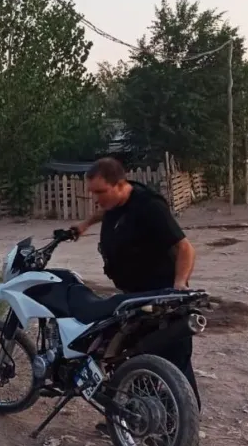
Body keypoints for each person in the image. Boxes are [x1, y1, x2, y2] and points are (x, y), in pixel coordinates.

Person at [72, 157, 201, 413]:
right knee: (133, 356)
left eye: (100, 192)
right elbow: (105, 209)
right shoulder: (114, 201)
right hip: (134, 296)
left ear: (119, 184)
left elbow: (185, 248)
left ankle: (185, 430)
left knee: (174, 359)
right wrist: (84, 225)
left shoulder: (149, 207)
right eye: (93, 193)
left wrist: (178, 286)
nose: (97, 199)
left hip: (161, 295)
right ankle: (130, 417)